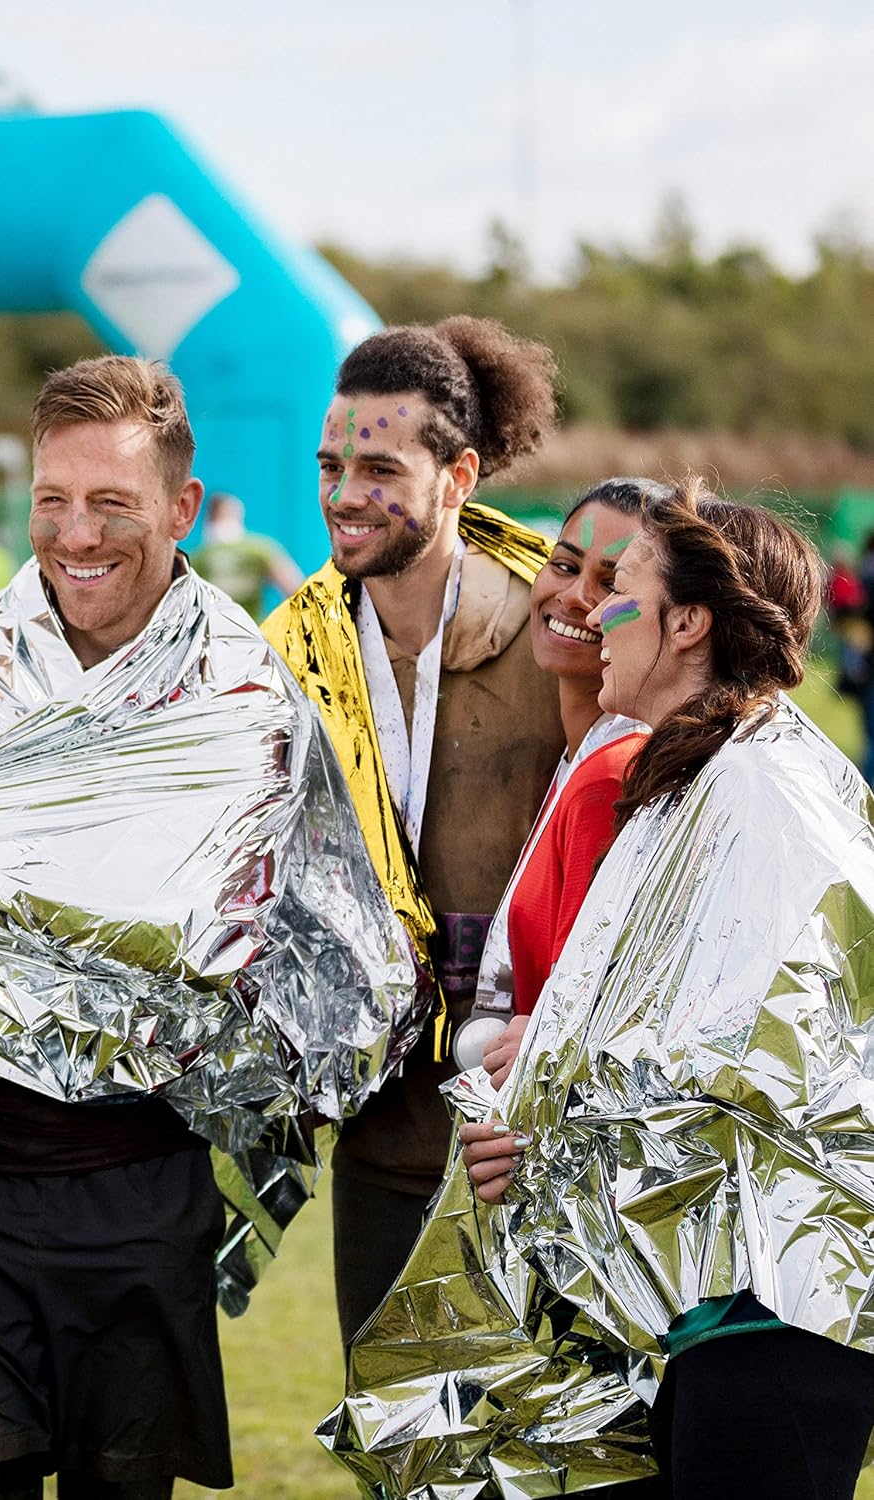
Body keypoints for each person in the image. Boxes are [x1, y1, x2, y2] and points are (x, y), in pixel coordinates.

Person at [0, 354, 417, 1500]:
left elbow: (317, 943)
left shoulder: (244, 696)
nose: (76, 535)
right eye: (52, 500)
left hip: (142, 1187)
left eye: (111, 503)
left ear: (182, 509)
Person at [455, 479, 874, 1498]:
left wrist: (541, 1118)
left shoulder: (768, 797)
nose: (595, 611)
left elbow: (765, 1063)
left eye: (625, 587)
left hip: (784, 1308)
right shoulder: (699, 777)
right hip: (711, 1295)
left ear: (688, 623)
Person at [262, 315, 567, 1347]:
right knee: (397, 1447)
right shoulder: (289, 651)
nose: (346, 494)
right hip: (384, 1139)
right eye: (331, 463)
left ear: (461, 475)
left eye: (381, 466)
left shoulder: (561, 635)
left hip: (539, 1134)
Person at [458, 479, 660, 1086]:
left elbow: (581, 1023)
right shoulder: (580, 755)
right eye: (565, 564)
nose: (576, 597)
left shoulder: (613, 776)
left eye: (612, 583)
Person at [191, 491, 303, 619]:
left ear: (209, 517)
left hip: (211, 636)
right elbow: (295, 589)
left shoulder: (196, 558)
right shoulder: (260, 549)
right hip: (253, 632)